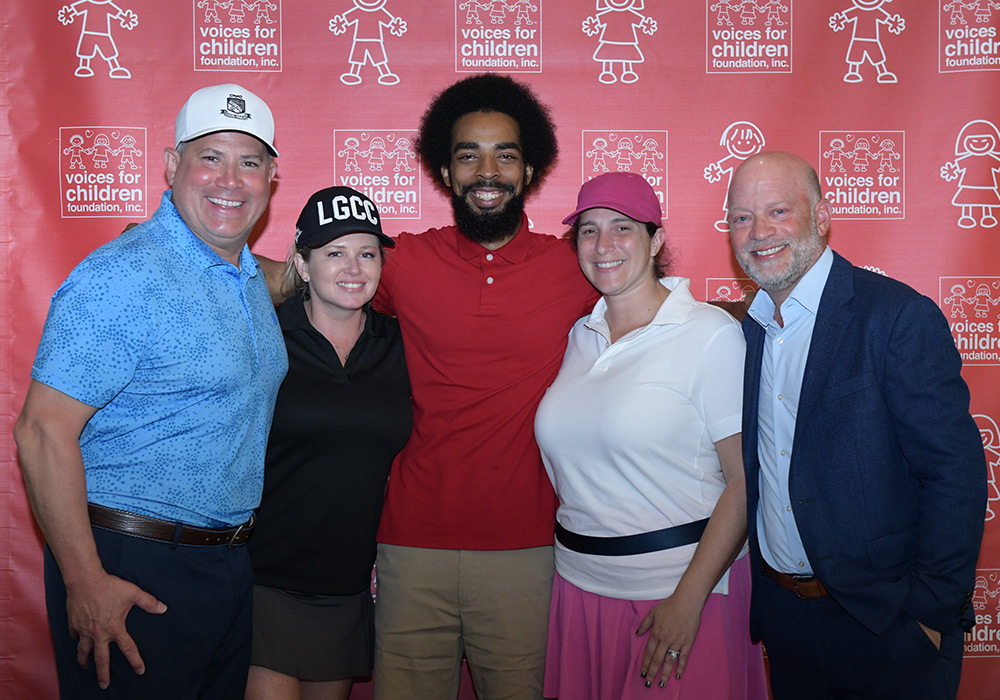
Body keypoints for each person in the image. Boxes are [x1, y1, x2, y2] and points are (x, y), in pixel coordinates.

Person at [258, 73, 598, 700]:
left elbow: (655, 305)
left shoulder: (574, 267)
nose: (487, 170)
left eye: (506, 155)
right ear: (445, 171)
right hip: (410, 546)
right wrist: (180, 251)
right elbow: (302, 277)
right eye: (468, 154)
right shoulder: (403, 262)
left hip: (526, 547)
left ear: (530, 172)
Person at [13, 83, 287, 699]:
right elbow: (39, 430)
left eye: (249, 162)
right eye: (209, 157)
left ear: (272, 177)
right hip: (131, 566)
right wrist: (85, 582)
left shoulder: (245, 276)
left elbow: (293, 274)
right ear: (171, 166)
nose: (230, 179)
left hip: (228, 565)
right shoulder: (122, 274)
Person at [727, 151, 987, 699]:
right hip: (786, 620)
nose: (759, 232)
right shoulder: (747, 331)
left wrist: (927, 613)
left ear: (821, 217)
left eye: (778, 210)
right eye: (742, 218)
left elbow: (955, 474)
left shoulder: (895, 317)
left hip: (888, 626)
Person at [534, 172, 767, 699]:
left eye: (622, 227)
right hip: (579, 590)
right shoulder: (579, 336)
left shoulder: (709, 334)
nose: (603, 245)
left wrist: (689, 601)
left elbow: (745, 481)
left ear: (656, 240)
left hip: (677, 595)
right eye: (588, 231)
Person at [246, 187, 412, 700]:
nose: (353, 267)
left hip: (346, 585)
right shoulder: (265, 335)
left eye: (366, 253)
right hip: (264, 577)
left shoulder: (401, 344)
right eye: (334, 253)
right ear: (302, 261)